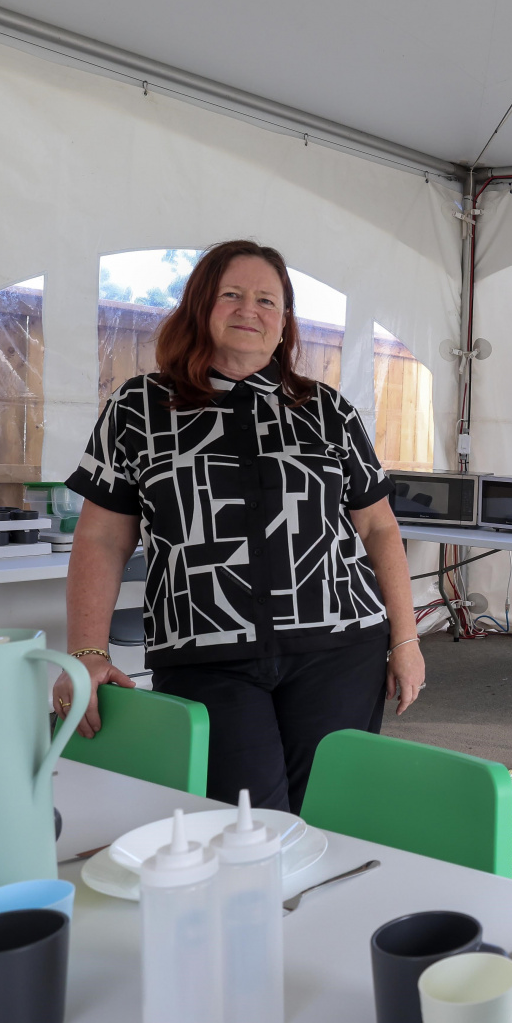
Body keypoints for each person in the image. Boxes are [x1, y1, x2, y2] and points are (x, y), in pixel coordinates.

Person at [59, 239, 424, 811]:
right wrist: (86, 652)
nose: (248, 310)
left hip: (339, 650)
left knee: (326, 818)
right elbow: (103, 537)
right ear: (201, 306)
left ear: (284, 323)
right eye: (231, 294)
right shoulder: (139, 407)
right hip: (205, 658)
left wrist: (405, 640)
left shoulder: (327, 411)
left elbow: (378, 526)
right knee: (240, 825)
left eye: (266, 301)